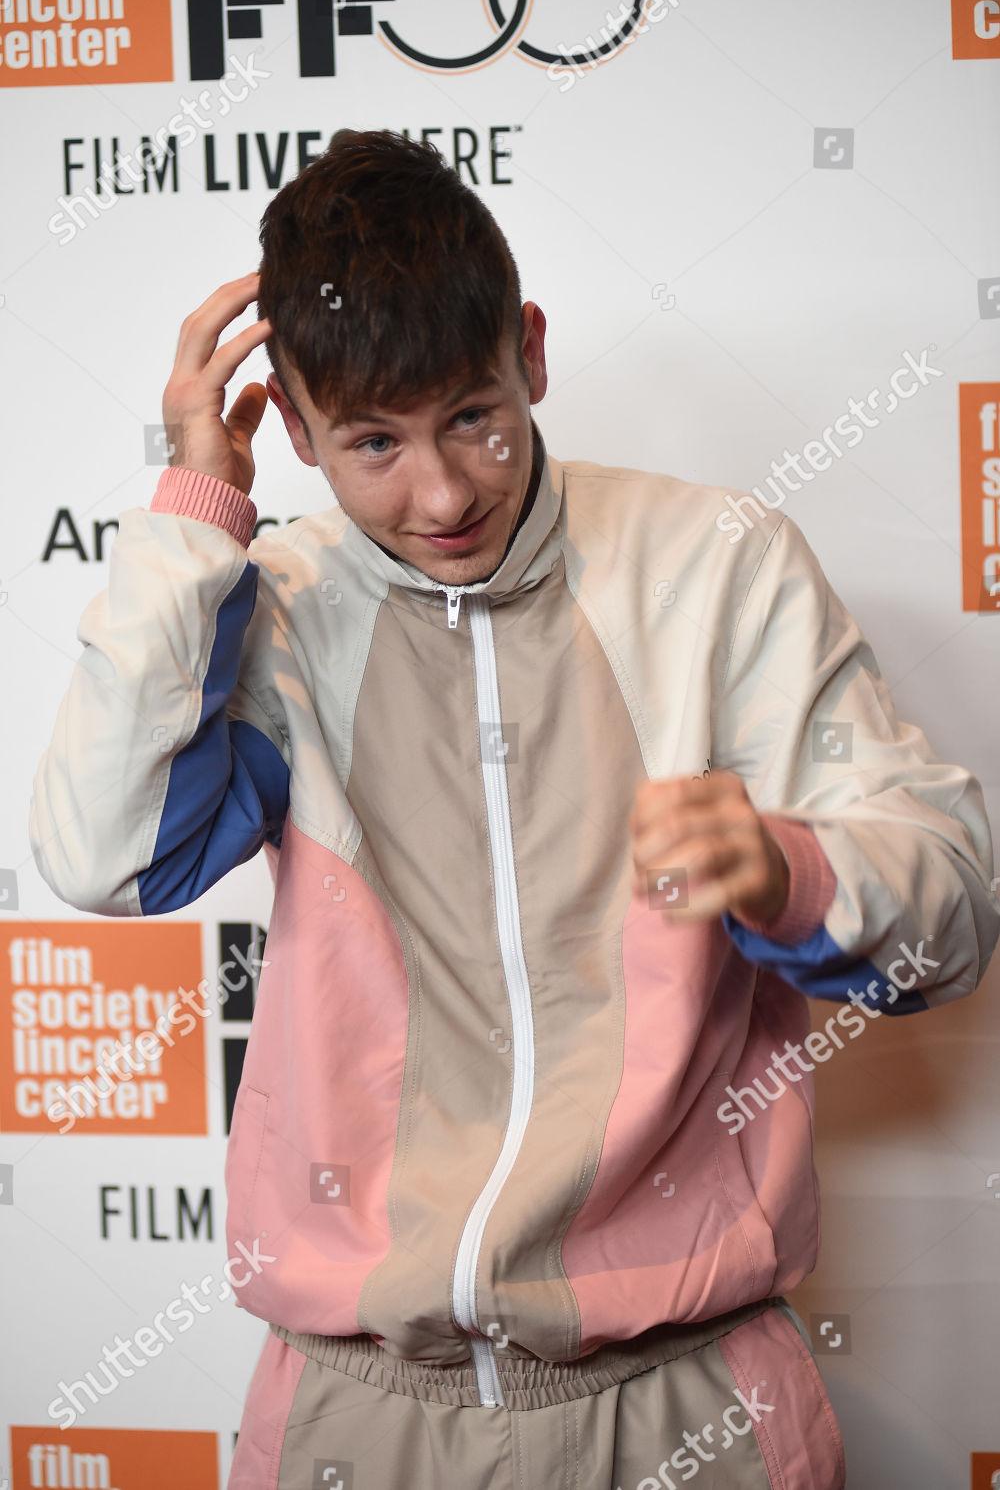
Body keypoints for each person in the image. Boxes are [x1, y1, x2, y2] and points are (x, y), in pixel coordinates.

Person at [29, 129, 1000, 1490]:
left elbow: (948, 906)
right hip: (359, 1417)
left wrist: (790, 871)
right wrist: (198, 515)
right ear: (294, 431)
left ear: (530, 352)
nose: (442, 493)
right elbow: (102, 855)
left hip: (689, 1395)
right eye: (372, 442)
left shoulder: (716, 567)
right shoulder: (277, 610)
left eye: (474, 416)